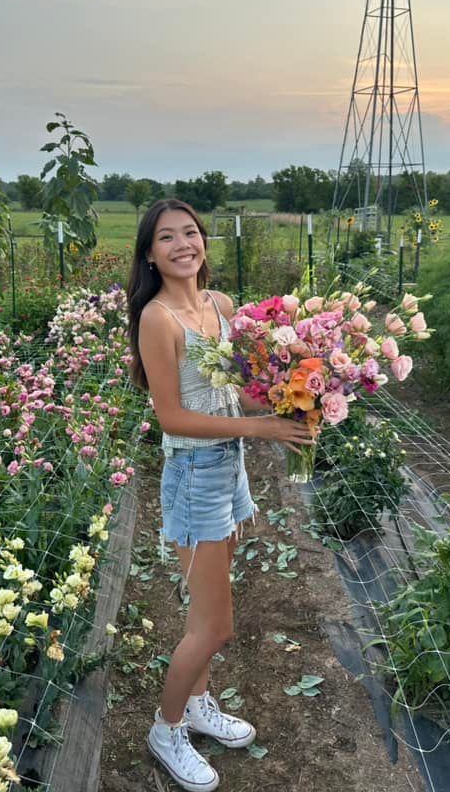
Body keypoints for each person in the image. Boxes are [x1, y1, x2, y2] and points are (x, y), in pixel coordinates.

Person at [126, 198, 315, 792]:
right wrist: (261, 428)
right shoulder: (157, 319)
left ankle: (199, 703)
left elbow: (236, 392)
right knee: (214, 627)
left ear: (203, 241)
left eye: (191, 233)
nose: (183, 244)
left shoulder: (220, 305)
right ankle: (166, 728)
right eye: (167, 238)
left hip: (228, 468)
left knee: (207, 611)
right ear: (150, 255)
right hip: (192, 476)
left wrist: (296, 401)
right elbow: (173, 417)